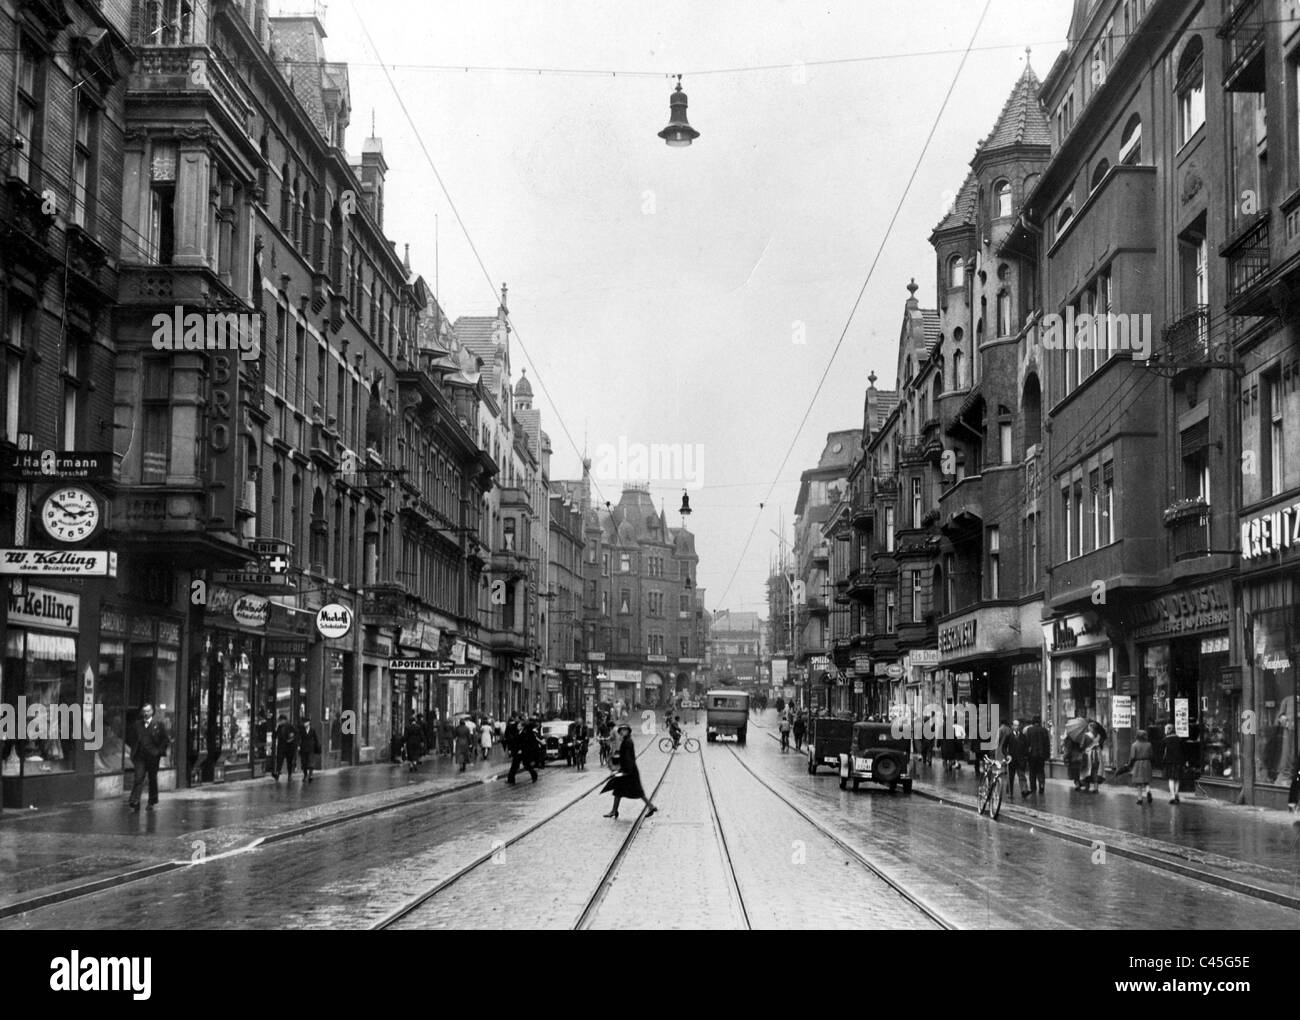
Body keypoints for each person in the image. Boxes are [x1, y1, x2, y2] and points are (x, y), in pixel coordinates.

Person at [601, 724, 658, 820]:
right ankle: (614, 811)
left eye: (625, 730)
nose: (623, 732)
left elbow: (628, 758)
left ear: (628, 731)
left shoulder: (627, 742)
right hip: (627, 770)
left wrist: (625, 771)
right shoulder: (626, 741)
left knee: (638, 792)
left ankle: (651, 806)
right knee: (618, 790)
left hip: (629, 771)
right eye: (622, 730)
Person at [127, 704, 169, 812]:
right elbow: (132, 737)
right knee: (138, 777)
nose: (146, 713)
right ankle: (135, 801)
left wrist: (158, 752)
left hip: (153, 756)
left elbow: (165, 739)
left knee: (152, 779)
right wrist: (134, 751)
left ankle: (152, 801)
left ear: (152, 711)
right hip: (140, 757)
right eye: (144, 711)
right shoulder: (137, 724)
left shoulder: (158, 724)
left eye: (148, 711)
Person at [1003, 718, 1030, 798]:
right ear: (1012, 726)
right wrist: (1007, 755)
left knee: (1022, 776)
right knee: (1010, 777)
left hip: (1020, 759)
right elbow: (1004, 747)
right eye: (1015, 725)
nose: (1017, 727)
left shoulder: (1023, 736)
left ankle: (1024, 790)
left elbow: (1026, 746)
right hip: (1011, 759)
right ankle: (1009, 793)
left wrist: (1025, 756)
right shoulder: (1009, 736)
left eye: (1018, 725)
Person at [1023, 716, 1050, 796]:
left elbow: (1026, 743)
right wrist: (1047, 755)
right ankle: (1041, 785)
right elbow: (1047, 744)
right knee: (1041, 771)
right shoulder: (1044, 730)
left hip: (1032, 755)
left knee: (1032, 772)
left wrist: (1026, 754)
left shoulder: (1029, 730)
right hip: (1041, 755)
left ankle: (1033, 788)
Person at [1161, 723, 1184, 803]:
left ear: (1168, 730)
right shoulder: (1179, 739)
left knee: (1171, 778)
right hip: (1178, 761)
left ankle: (1172, 795)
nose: (1164, 731)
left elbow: (1162, 752)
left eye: (1165, 729)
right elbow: (1183, 751)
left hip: (1169, 761)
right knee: (1177, 778)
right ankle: (1177, 794)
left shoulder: (1165, 740)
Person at [1129, 729, 1154, 804]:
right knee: (1146, 780)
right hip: (1147, 763)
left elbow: (1132, 757)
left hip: (1138, 763)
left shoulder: (1134, 745)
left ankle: (1140, 799)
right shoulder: (1149, 744)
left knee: (1138, 782)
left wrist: (1130, 765)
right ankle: (1148, 790)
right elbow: (1151, 755)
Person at [272, 713, 297, 781]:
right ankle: (277, 773)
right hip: (281, 747)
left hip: (289, 747)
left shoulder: (290, 726)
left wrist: (291, 740)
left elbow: (295, 735)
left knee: (289, 762)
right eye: (279, 721)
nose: (279, 722)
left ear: (284, 720)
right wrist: (275, 729)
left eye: (280, 720)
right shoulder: (279, 727)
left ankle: (289, 775)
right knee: (279, 760)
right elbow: (274, 737)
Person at [298, 717, 321, 783]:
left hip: (311, 748)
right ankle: (305, 775)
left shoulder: (312, 730)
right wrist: (299, 746)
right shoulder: (301, 730)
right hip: (303, 748)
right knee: (304, 763)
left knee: (311, 762)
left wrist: (317, 747)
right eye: (304, 722)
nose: (305, 724)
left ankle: (310, 775)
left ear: (309, 723)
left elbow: (316, 739)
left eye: (306, 722)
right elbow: (299, 738)